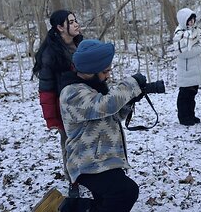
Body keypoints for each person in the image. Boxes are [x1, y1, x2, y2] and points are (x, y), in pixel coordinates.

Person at [59, 39, 146, 211]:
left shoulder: (94, 87)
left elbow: (114, 114)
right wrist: (130, 85)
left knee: (107, 202)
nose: (108, 75)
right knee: (125, 192)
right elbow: (105, 106)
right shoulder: (72, 93)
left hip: (103, 159)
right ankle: (70, 208)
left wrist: (129, 101)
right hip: (87, 161)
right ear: (91, 70)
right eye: (105, 71)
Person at [32, 10, 83, 185]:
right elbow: (46, 88)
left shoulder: (81, 44)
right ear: (60, 27)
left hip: (85, 102)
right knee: (69, 145)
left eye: (75, 20)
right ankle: (73, 181)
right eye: (71, 21)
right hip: (65, 108)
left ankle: (89, 177)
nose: (76, 24)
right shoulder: (51, 53)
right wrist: (52, 118)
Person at [173, 8, 201, 126]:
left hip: (195, 68)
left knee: (192, 95)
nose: (192, 22)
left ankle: (191, 115)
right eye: (189, 20)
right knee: (185, 95)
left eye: (193, 19)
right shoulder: (179, 33)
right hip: (186, 70)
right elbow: (184, 53)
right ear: (183, 21)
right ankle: (183, 117)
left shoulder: (196, 31)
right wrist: (199, 47)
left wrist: (199, 47)